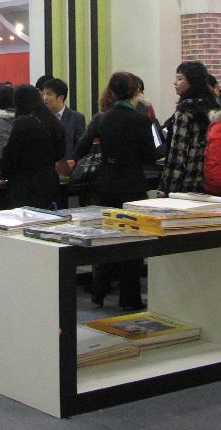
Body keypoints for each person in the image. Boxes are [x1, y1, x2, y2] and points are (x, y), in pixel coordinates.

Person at [73, 72, 157, 309]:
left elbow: (81, 148)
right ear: (134, 92)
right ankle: (129, 299)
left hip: (107, 184)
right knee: (132, 241)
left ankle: (98, 291)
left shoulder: (102, 118)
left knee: (108, 237)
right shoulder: (141, 120)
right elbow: (150, 156)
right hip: (132, 185)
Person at [0, 85, 66, 208]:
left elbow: (11, 154)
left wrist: (3, 173)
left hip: (25, 186)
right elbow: (61, 152)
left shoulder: (22, 122)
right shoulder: (53, 121)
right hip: (50, 183)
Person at [158, 61, 218, 194]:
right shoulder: (215, 107)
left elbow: (178, 151)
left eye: (179, 79)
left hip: (188, 179)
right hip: (210, 177)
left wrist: (167, 188)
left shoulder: (184, 111)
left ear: (193, 82)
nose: (175, 83)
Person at [42, 77, 86, 161]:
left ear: (61, 98)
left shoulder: (76, 118)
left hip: (68, 166)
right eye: (44, 94)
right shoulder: (40, 118)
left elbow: (80, 147)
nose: (45, 98)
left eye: (49, 94)